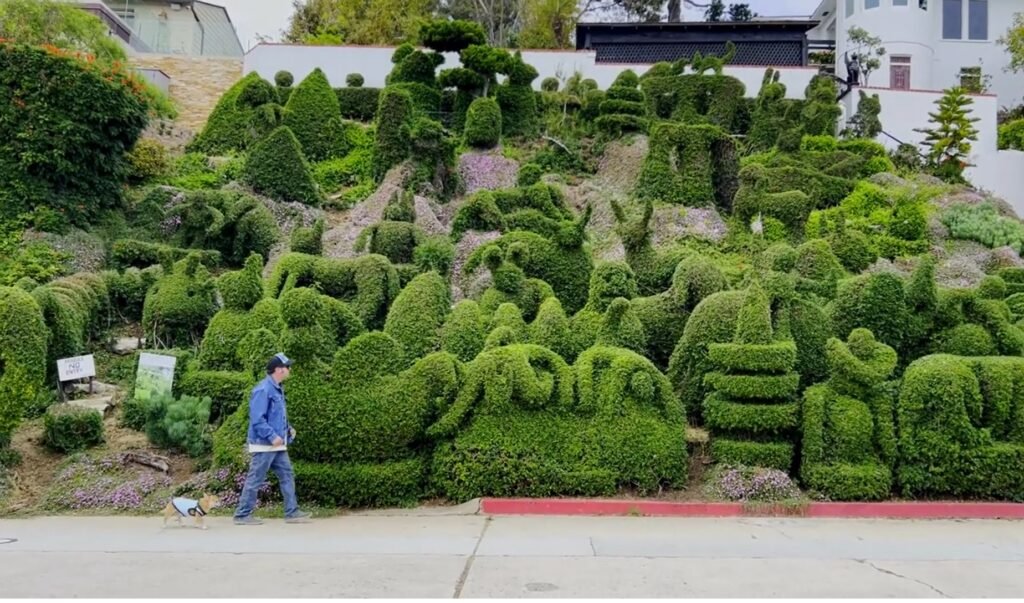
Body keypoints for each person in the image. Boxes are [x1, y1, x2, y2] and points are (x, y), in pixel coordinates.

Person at [233, 353, 311, 525]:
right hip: (264, 445)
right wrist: (272, 436)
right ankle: (242, 515)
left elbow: (277, 416)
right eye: (287, 367)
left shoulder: (277, 388)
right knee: (256, 479)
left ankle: (292, 512)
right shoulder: (263, 389)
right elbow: (257, 419)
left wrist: (288, 429)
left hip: (277, 445)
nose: (290, 369)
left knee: (287, 475)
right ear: (278, 370)